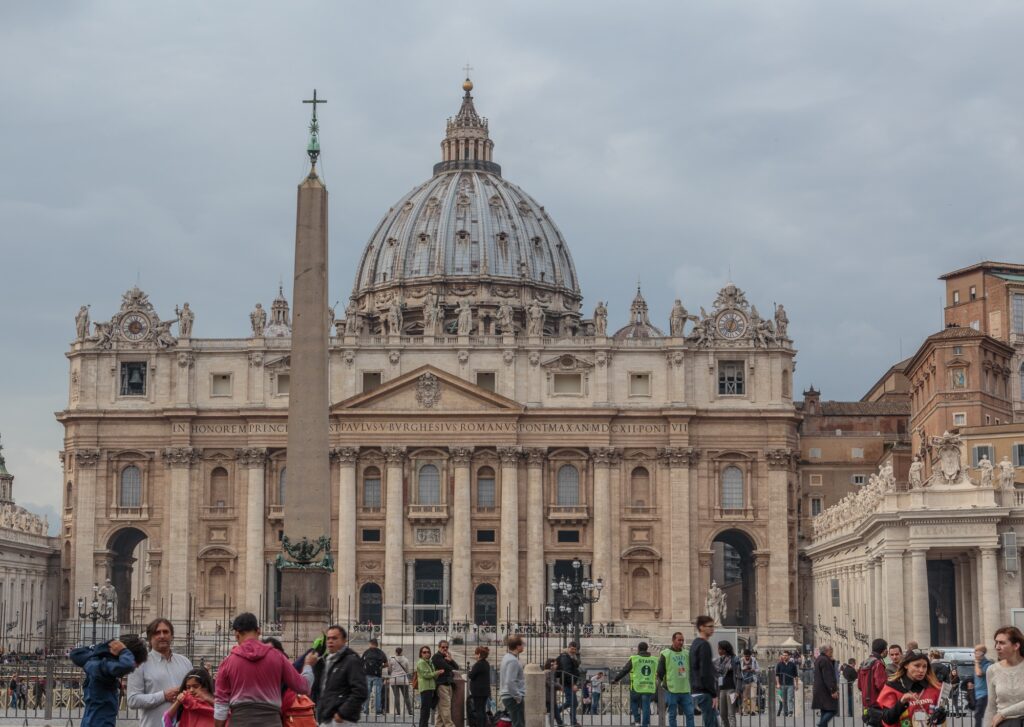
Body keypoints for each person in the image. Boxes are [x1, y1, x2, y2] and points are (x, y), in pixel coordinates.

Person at [212, 612, 311, 727]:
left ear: (237, 635)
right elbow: (303, 687)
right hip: (271, 722)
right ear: (258, 631)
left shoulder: (228, 662)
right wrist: (308, 666)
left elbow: (221, 705)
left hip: (240, 722)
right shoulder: (278, 657)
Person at [128, 618, 195, 727]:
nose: (162, 636)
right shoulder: (139, 664)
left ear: (172, 636)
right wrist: (163, 695)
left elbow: (195, 693)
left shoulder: (185, 662)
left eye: (165, 632)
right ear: (150, 638)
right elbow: (132, 700)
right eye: (157, 632)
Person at [70, 635, 149, 727]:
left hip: (91, 720)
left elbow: (75, 654)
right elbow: (127, 665)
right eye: (136, 664)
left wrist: (101, 649)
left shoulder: (97, 665)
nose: (135, 668)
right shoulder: (103, 668)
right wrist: (123, 651)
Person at [314, 625, 368, 727]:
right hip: (327, 717)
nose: (330, 641)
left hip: (341, 720)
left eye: (334, 638)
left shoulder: (352, 660)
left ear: (344, 641)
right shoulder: (328, 660)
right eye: (328, 638)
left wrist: (342, 713)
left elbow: (360, 691)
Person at [877, 649, 945, 727]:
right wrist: (901, 702)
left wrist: (940, 716)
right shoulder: (893, 686)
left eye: (924, 666)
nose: (921, 670)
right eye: (917, 666)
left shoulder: (933, 687)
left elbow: (939, 720)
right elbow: (887, 719)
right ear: (906, 665)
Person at [985, 626, 1024, 727]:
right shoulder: (992, 670)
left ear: (1016, 646)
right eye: (996, 642)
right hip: (1004, 724)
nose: (997, 647)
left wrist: (1003, 714)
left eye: (1002, 643)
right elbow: (991, 706)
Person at [613, 641, 658, 727]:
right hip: (648, 687)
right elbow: (660, 671)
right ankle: (646, 724)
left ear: (638, 649)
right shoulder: (654, 659)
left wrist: (616, 679)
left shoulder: (634, 658)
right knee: (646, 706)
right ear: (647, 649)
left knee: (634, 702)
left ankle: (637, 722)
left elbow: (625, 670)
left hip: (636, 687)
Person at [658, 632, 695, 727]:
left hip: (685, 689)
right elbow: (660, 671)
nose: (681, 642)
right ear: (673, 640)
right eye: (679, 640)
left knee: (690, 714)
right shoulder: (665, 654)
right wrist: (663, 684)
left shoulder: (687, 653)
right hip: (671, 690)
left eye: (682, 640)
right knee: (672, 715)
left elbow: (692, 669)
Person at [690, 616, 719, 727]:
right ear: (701, 627)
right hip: (705, 692)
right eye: (710, 626)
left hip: (696, 690)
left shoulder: (694, 644)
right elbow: (705, 672)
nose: (713, 629)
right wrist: (713, 694)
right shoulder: (704, 645)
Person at [858, 638, 889, 722]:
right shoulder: (878, 663)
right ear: (884, 649)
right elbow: (881, 685)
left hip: (867, 702)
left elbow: (859, 686)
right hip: (878, 702)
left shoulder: (864, 662)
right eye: (887, 648)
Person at [432, 639, 460, 727]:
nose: (445, 649)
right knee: (445, 708)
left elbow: (456, 667)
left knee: (441, 710)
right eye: (443, 647)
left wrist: (451, 659)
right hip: (441, 685)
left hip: (448, 684)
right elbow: (448, 668)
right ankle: (450, 725)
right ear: (439, 647)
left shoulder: (445, 657)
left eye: (446, 647)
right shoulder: (437, 657)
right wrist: (449, 662)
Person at [499, 637, 525, 727]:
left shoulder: (507, 657)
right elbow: (510, 681)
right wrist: (517, 697)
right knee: (519, 723)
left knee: (516, 722)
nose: (523, 646)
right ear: (518, 646)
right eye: (522, 644)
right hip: (512, 697)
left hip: (508, 695)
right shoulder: (513, 660)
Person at [556, 641, 582, 727]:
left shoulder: (571, 657)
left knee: (573, 703)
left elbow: (575, 668)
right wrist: (572, 684)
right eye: (572, 649)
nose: (573, 650)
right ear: (568, 647)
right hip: (568, 683)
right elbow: (567, 672)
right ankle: (556, 713)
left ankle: (572, 721)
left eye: (575, 649)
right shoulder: (565, 657)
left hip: (569, 683)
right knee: (572, 702)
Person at [812, 645, 838, 727]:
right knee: (833, 710)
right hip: (825, 690)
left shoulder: (820, 659)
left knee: (824, 710)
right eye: (831, 651)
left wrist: (832, 662)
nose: (832, 652)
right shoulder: (825, 660)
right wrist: (833, 690)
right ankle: (821, 724)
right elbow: (828, 676)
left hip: (820, 689)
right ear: (827, 651)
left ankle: (823, 725)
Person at [416, 645, 442, 727]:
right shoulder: (421, 662)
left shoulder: (429, 662)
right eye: (424, 652)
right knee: (425, 709)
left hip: (430, 687)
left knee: (427, 709)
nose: (426, 654)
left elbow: (433, 675)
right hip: (425, 688)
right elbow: (426, 675)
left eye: (428, 652)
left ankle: (424, 725)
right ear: (421, 653)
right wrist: (437, 672)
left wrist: (435, 673)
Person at [716, 641, 740, 727]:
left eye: (719, 648)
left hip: (731, 690)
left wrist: (737, 691)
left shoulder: (734, 659)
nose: (718, 650)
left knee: (731, 714)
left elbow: (739, 676)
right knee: (722, 714)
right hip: (722, 690)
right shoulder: (719, 661)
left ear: (724, 649)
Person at [362, 638, 388, 717]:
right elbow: (387, 664)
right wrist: (381, 667)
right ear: (377, 644)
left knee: (367, 693)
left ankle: (366, 711)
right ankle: (378, 711)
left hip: (367, 675)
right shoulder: (381, 652)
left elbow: (361, 662)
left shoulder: (366, 652)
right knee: (377, 693)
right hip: (377, 675)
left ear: (370, 643)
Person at [468, 646, 491, 727]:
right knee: (482, 710)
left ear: (479, 654)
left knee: (479, 711)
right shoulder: (486, 664)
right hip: (485, 692)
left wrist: (470, 670)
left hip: (478, 692)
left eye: (476, 654)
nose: (475, 655)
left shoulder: (478, 664)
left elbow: (471, 675)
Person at [388, 646, 414, 716]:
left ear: (396, 652)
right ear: (402, 652)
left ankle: (398, 713)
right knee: (406, 697)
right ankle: (410, 712)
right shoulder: (406, 660)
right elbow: (407, 671)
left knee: (396, 696)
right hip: (403, 680)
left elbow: (389, 670)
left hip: (394, 679)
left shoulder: (391, 659)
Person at [972, 643, 992, 727]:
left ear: (982, 653)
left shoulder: (987, 664)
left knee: (978, 715)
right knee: (980, 715)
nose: (975, 654)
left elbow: (979, 673)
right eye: (975, 652)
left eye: (977, 652)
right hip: (977, 693)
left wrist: (976, 662)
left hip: (984, 693)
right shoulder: (979, 664)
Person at [775, 651, 798, 717]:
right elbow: (777, 675)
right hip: (782, 684)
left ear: (789, 656)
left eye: (786, 655)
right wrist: (778, 683)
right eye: (783, 655)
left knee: (790, 698)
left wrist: (796, 684)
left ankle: (790, 711)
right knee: (783, 699)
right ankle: (785, 711)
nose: (784, 656)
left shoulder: (793, 664)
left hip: (790, 684)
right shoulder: (779, 664)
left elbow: (796, 675)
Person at [739, 649, 760, 716]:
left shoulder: (754, 660)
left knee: (753, 696)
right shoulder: (741, 660)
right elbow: (738, 670)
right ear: (744, 655)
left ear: (750, 656)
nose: (747, 657)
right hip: (745, 681)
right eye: (746, 656)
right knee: (745, 697)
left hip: (753, 680)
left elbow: (758, 669)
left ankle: (753, 711)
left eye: (748, 656)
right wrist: (743, 668)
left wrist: (753, 669)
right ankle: (745, 711)